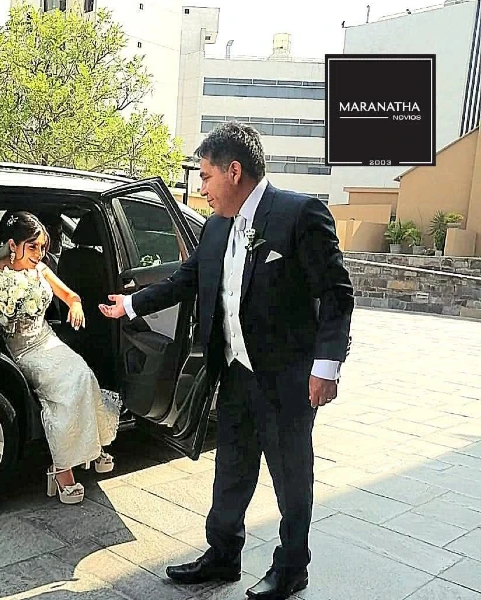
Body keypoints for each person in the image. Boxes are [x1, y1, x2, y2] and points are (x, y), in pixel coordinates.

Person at [99, 122, 353, 599]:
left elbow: (337, 294)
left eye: (205, 176)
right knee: (232, 469)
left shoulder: (299, 214)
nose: (202, 188)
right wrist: (131, 304)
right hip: (235, 373)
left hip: (287, 378)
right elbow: (186, 279)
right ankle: (222, 555)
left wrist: (326, 366)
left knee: (291, 477)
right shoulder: (215, 226)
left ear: (234, 171)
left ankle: (292, 567)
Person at [0, 211, 120, 505]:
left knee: (83, 374)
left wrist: (75, 306)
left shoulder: (41, 270)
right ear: (13, 245)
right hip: (22, 350)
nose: (39, 253)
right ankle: (62, 469)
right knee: (65, 388)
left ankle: (92, 447)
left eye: (43, 247)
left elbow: (71, 296)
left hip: (48, 340)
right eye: (33, 247)